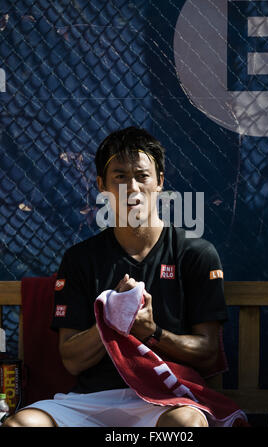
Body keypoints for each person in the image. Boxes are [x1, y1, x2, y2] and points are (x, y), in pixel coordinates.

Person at [3, 126, 228, 427]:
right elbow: (71, 360)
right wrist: (110, 318)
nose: (132, 188)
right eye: (120, 177)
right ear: (102, 185)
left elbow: (209, 354)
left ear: (159, 181)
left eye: (142, 176)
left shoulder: (195, 253)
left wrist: (150, 331)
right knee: (21, 424)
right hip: (92, 400)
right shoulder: (80, 258)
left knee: (185, 425)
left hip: (164, 398)